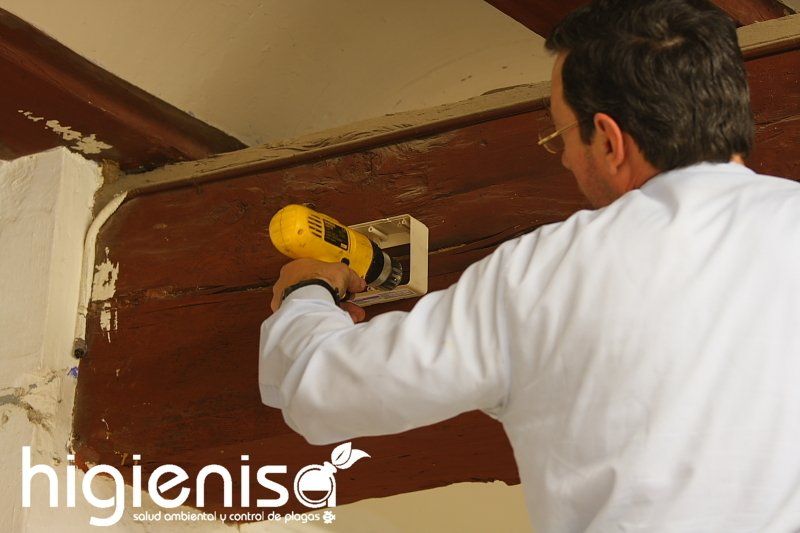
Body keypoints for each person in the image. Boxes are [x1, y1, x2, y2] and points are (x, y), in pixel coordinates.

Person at [259, 0, 800, 530]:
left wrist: (307, 292)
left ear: (609, 140)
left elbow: (321, 390)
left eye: (560, 135)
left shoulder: (547, 274)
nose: (563, 158)